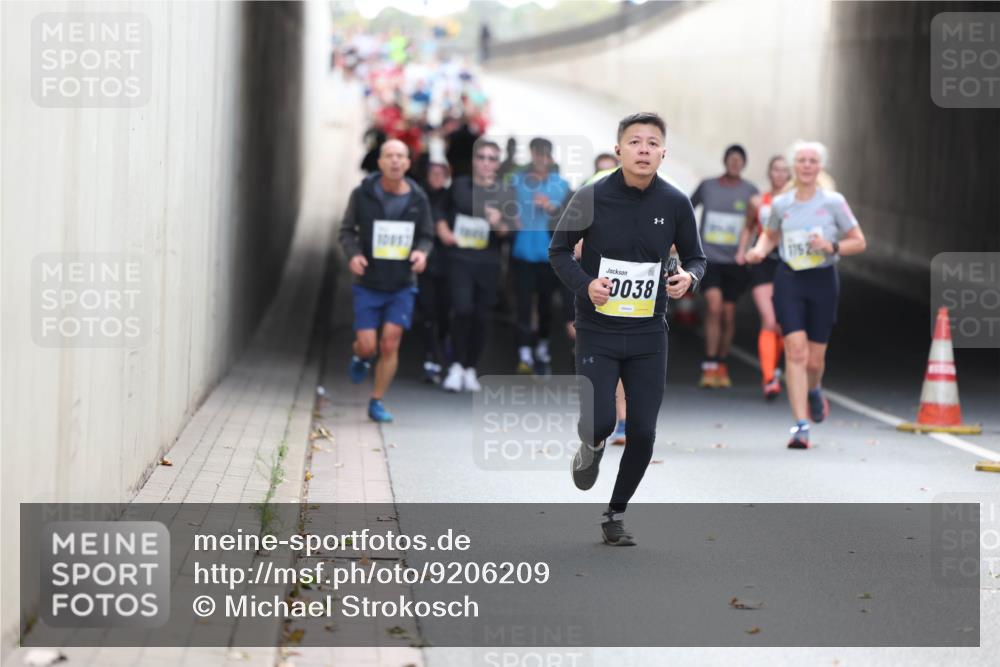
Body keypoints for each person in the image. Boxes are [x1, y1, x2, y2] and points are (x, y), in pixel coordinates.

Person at [550, 112, 706, 546]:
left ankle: (615, 512)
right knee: (599, 421)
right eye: (634, 142)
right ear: (618, 150)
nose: (643, 149)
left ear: (662, 152)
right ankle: (592, 445)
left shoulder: (675, 202)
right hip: (597, 328)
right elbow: (559, 251)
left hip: (648, 333)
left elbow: (697, 257)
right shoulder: (590, 196)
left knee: (642, 431)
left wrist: (688, 279)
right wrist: (587, 285)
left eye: (651, 142)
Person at [746, 140, 866, 449]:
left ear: (820, 166)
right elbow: (770, 236)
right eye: (802, 160)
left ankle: (815, 390)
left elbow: (858, 241)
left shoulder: (834, 202)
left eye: (813, 160)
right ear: (794, 167)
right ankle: (801, 426)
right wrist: (758, 251)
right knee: (795, 352)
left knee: (814, 360)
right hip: (790, 280)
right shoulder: (782, 204)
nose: (808, 165)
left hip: (823, 281)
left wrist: (832, 247)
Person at [339, 140, 434, 422]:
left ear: (407, 163)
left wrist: (422, 253)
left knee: (390, 344)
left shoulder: (418, 198)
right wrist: (353, 254)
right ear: (379, 162)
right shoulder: (362, 194)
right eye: (389, 156)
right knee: (368, 345)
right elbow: (346, 231)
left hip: (402, 284)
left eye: (400, 156)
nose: (395, 161)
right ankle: (360, 357)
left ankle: (376, 401)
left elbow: (427, 236)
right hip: (369, 282)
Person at [440, 138, 518, 392]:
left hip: (489, 261)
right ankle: (455, 366)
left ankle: (471, 367)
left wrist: (499, 223)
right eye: (481, 157)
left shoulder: (505, 192)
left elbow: (512, 231)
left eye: (491, 158)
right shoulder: (460, 185)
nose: (486, 163)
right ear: (474, 161)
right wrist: (443, 231)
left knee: (481, 316)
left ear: (497, 164)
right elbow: (441, 212)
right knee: (461, 309)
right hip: (460, 259)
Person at [691, 145, 759, 388]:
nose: (735, 163)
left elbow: (759, 223)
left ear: (744, 164)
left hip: (735, 262)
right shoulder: (708, 186)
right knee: (714, 306)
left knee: (728, 316)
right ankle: (709, 364)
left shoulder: (751, 192)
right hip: (709, 259)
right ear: (725, 161)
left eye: (739, 160)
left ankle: (721, 362)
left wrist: (753, 250)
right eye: (731, 159)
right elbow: (687, 209)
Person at [510, 138, 571, 375]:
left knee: (545, 306)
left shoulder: (562, 185)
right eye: (537, 154)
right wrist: (510, 217)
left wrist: (553, 209)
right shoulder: (517, 182)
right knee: (524, 304)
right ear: (532, 156)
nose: (541, 159)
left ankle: (542, 347)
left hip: (549, 257)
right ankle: (523, 351)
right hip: (522, 253)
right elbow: (503, 203)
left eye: (545, 155)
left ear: (551, 157)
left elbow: (571, 218)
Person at [737, 155, 791, 399]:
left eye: (784, 171)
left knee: (782, 323)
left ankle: (775, 369)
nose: (779, 174)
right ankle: (769, 377)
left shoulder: (795, 201)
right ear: (769, 173)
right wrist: (742, 251)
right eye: (775, 170)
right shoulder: (758, 201)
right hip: (762, 263)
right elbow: (749, 226)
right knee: (769, 320)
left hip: (789, 263)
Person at [417, 161, 453, 383]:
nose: (438, 177)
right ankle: (430, 355)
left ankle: (441, 348)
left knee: (444, 311)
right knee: (428, 311)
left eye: (442, 174)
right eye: (434, 173)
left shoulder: (451, 199)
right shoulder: (419, 197)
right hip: (426, 263)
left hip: (448, 263)